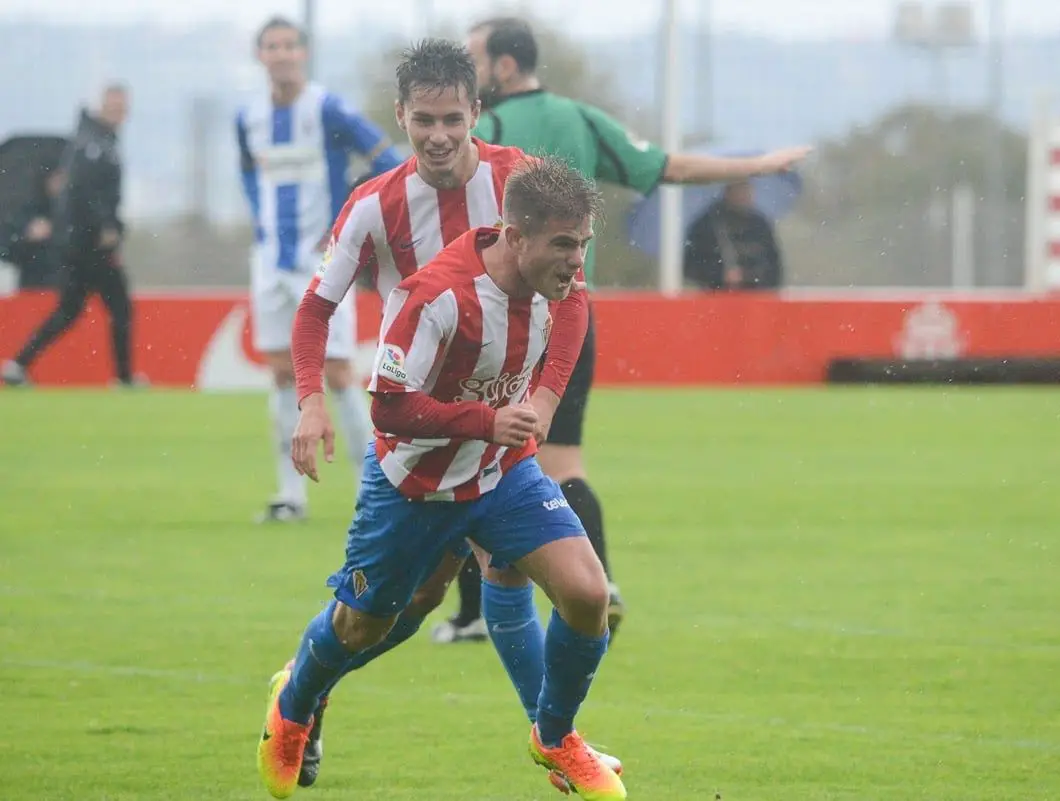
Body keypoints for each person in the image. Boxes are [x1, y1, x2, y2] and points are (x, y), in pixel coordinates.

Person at [285, 38, 613, 791]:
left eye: (453, 120)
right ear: (400, 116)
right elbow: (315, 310)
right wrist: (310, 401)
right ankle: (308, 686)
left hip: (501, 441)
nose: (437, 136)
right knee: (398, 608)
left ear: (476, 115)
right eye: (422, 120)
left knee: (545, 579)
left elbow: (574, 297)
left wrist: (541, 402)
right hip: (418, 434)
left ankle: (555, 738)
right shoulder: (375, 203)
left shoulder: (525, 184)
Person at [454, 15, 811, 640]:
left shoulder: (486, 130)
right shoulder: (583, 120)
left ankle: (473, 615)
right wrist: (755, 164)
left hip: (496, 316)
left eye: (472, 59)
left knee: (466, 458)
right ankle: (601, 583)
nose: (465, 73)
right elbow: (668, 169)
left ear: (503, 67)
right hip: (569, 313)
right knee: (564, 459)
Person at [235, 16, 403, 522]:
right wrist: (262, 224)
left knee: (338, 373)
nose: (281, 54)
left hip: (323, 258)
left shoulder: (326, 108)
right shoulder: (248, 117)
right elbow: (247, 170)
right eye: (272, 46)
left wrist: (348, 221)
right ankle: (291, 496)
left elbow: (386, 159)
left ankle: (370, 491)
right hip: (270, 259)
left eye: (289, 45)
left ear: (303, 54)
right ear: (260, 55)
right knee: (283, 373)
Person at [3, 86, 136, 387]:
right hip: (89, 244)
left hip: (77, 243)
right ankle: (124, 378)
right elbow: (87, 193)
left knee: (69, 309)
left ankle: (18, 363)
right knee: (119, 307)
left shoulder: (96, 141)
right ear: (101, 107)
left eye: (123, 106)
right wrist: (106, 228)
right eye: (114, 105)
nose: (120, 112)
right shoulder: (93, 145)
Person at [683, 180, 784, 290]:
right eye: (739, 189)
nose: (744, 195)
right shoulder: (708, 223)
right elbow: (692, 265)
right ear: (728, 191)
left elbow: (773, 266)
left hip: (755, 295)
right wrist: (720, 275)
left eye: (747, 189)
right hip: (716, 296)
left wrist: (751, 276)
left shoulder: (760, 224)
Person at [0, 167, 66, 290]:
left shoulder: (80, 214)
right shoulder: (27, 212)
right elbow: (5, 249)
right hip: (35, 287)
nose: (61, 184)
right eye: (56, 178)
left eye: (64, 179)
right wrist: (27, 236)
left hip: (72, 289)